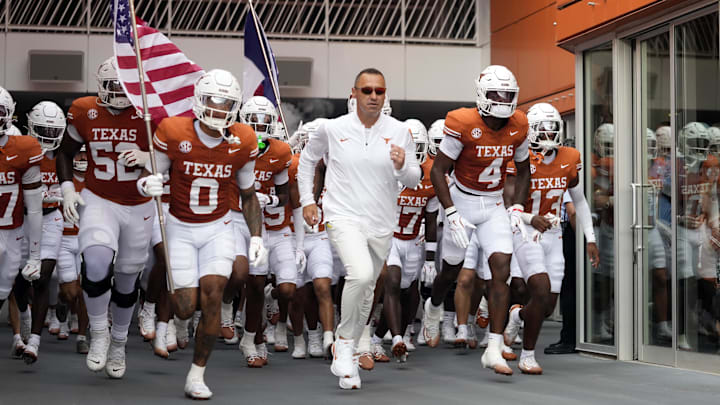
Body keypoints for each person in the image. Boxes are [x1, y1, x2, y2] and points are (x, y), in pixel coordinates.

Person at [136, 69, 267, 399]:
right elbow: (154, 175)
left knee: (212, 295)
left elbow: (248, 194)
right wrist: (146, 183)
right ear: (198, 99)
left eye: (227, 104)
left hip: (217, 228)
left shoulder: (244, 140)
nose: (219, 109)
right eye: (213, 100)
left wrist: (255, 236)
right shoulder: (173, 129)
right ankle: (178, 321)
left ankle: (197, 375)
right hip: (179, 227)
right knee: (184, 306)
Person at [298, 68, 420, 390]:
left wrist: (402, 165)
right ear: (354, 93)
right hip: (342, 216)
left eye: (379, 91)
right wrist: (308, 201)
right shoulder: (332, 128)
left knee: (368, 290)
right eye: (366, 90)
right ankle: (344, 342)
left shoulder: (399, 131)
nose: (373, 96)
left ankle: (349, 356)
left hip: (381, 222)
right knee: (362, 274)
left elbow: (413, 179)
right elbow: (307, 161)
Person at [420, 65, 531, 376]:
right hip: (463, 201)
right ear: (482, 94)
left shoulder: (519, 123)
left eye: (508, 94)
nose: (503, 99)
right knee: (451, 271)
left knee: (502, 269)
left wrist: (518, 207)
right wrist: (451, 211)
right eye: (497, 93)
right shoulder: (462, 122)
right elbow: (438, 170)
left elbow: (524, 171)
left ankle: (493, 347)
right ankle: (434, 306)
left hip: (494, 203)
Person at [56, 57, 155, 378]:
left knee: (127, 278)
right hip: (99, 199)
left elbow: (171, 157)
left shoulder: (150, 114)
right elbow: (65, 152)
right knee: (96, 264)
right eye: (114, 85)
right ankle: (98, 333)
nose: (120, 92)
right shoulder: (85, 110)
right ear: (101, 86)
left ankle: (119, 342)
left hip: (139, 205)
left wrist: (150, 158)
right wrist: (69, 188)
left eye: (126, 85)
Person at [501, 102, 599, 374]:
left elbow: (579, 201)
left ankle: (517, 315)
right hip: (526, 232)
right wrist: (531, 218)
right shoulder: (520, 159)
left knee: (546, 306)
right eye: (541, 130)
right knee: (540, 291)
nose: (547, 134)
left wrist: (589, 237)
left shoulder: (569, 157)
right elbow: (508, 203)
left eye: (552, 129)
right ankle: (527, 356)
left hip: (554, 234)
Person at [371, 118, 438, 362]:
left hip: (413, 241)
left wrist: (430, 258)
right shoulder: (386, 170)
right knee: (392, 282)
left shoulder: (430, 174)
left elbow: (430, 219)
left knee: (411, 294)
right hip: (388, 238)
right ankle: (397, 338)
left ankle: (378, 338)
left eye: (419, 146)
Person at [19, 101, 68, 364]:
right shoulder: (21, 151)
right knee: (17, 277)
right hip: (22, 220)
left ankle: (35, 341)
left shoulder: (61, 157)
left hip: (51, 219)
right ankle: (25, 316)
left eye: (53, 132)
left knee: (42, 276)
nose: (48, 137)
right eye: (43, 131)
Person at [0, 86, 45, 357]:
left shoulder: (24, 147)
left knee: (5, 288)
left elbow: (35, 207)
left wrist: (36, 255)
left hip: (12, 232)